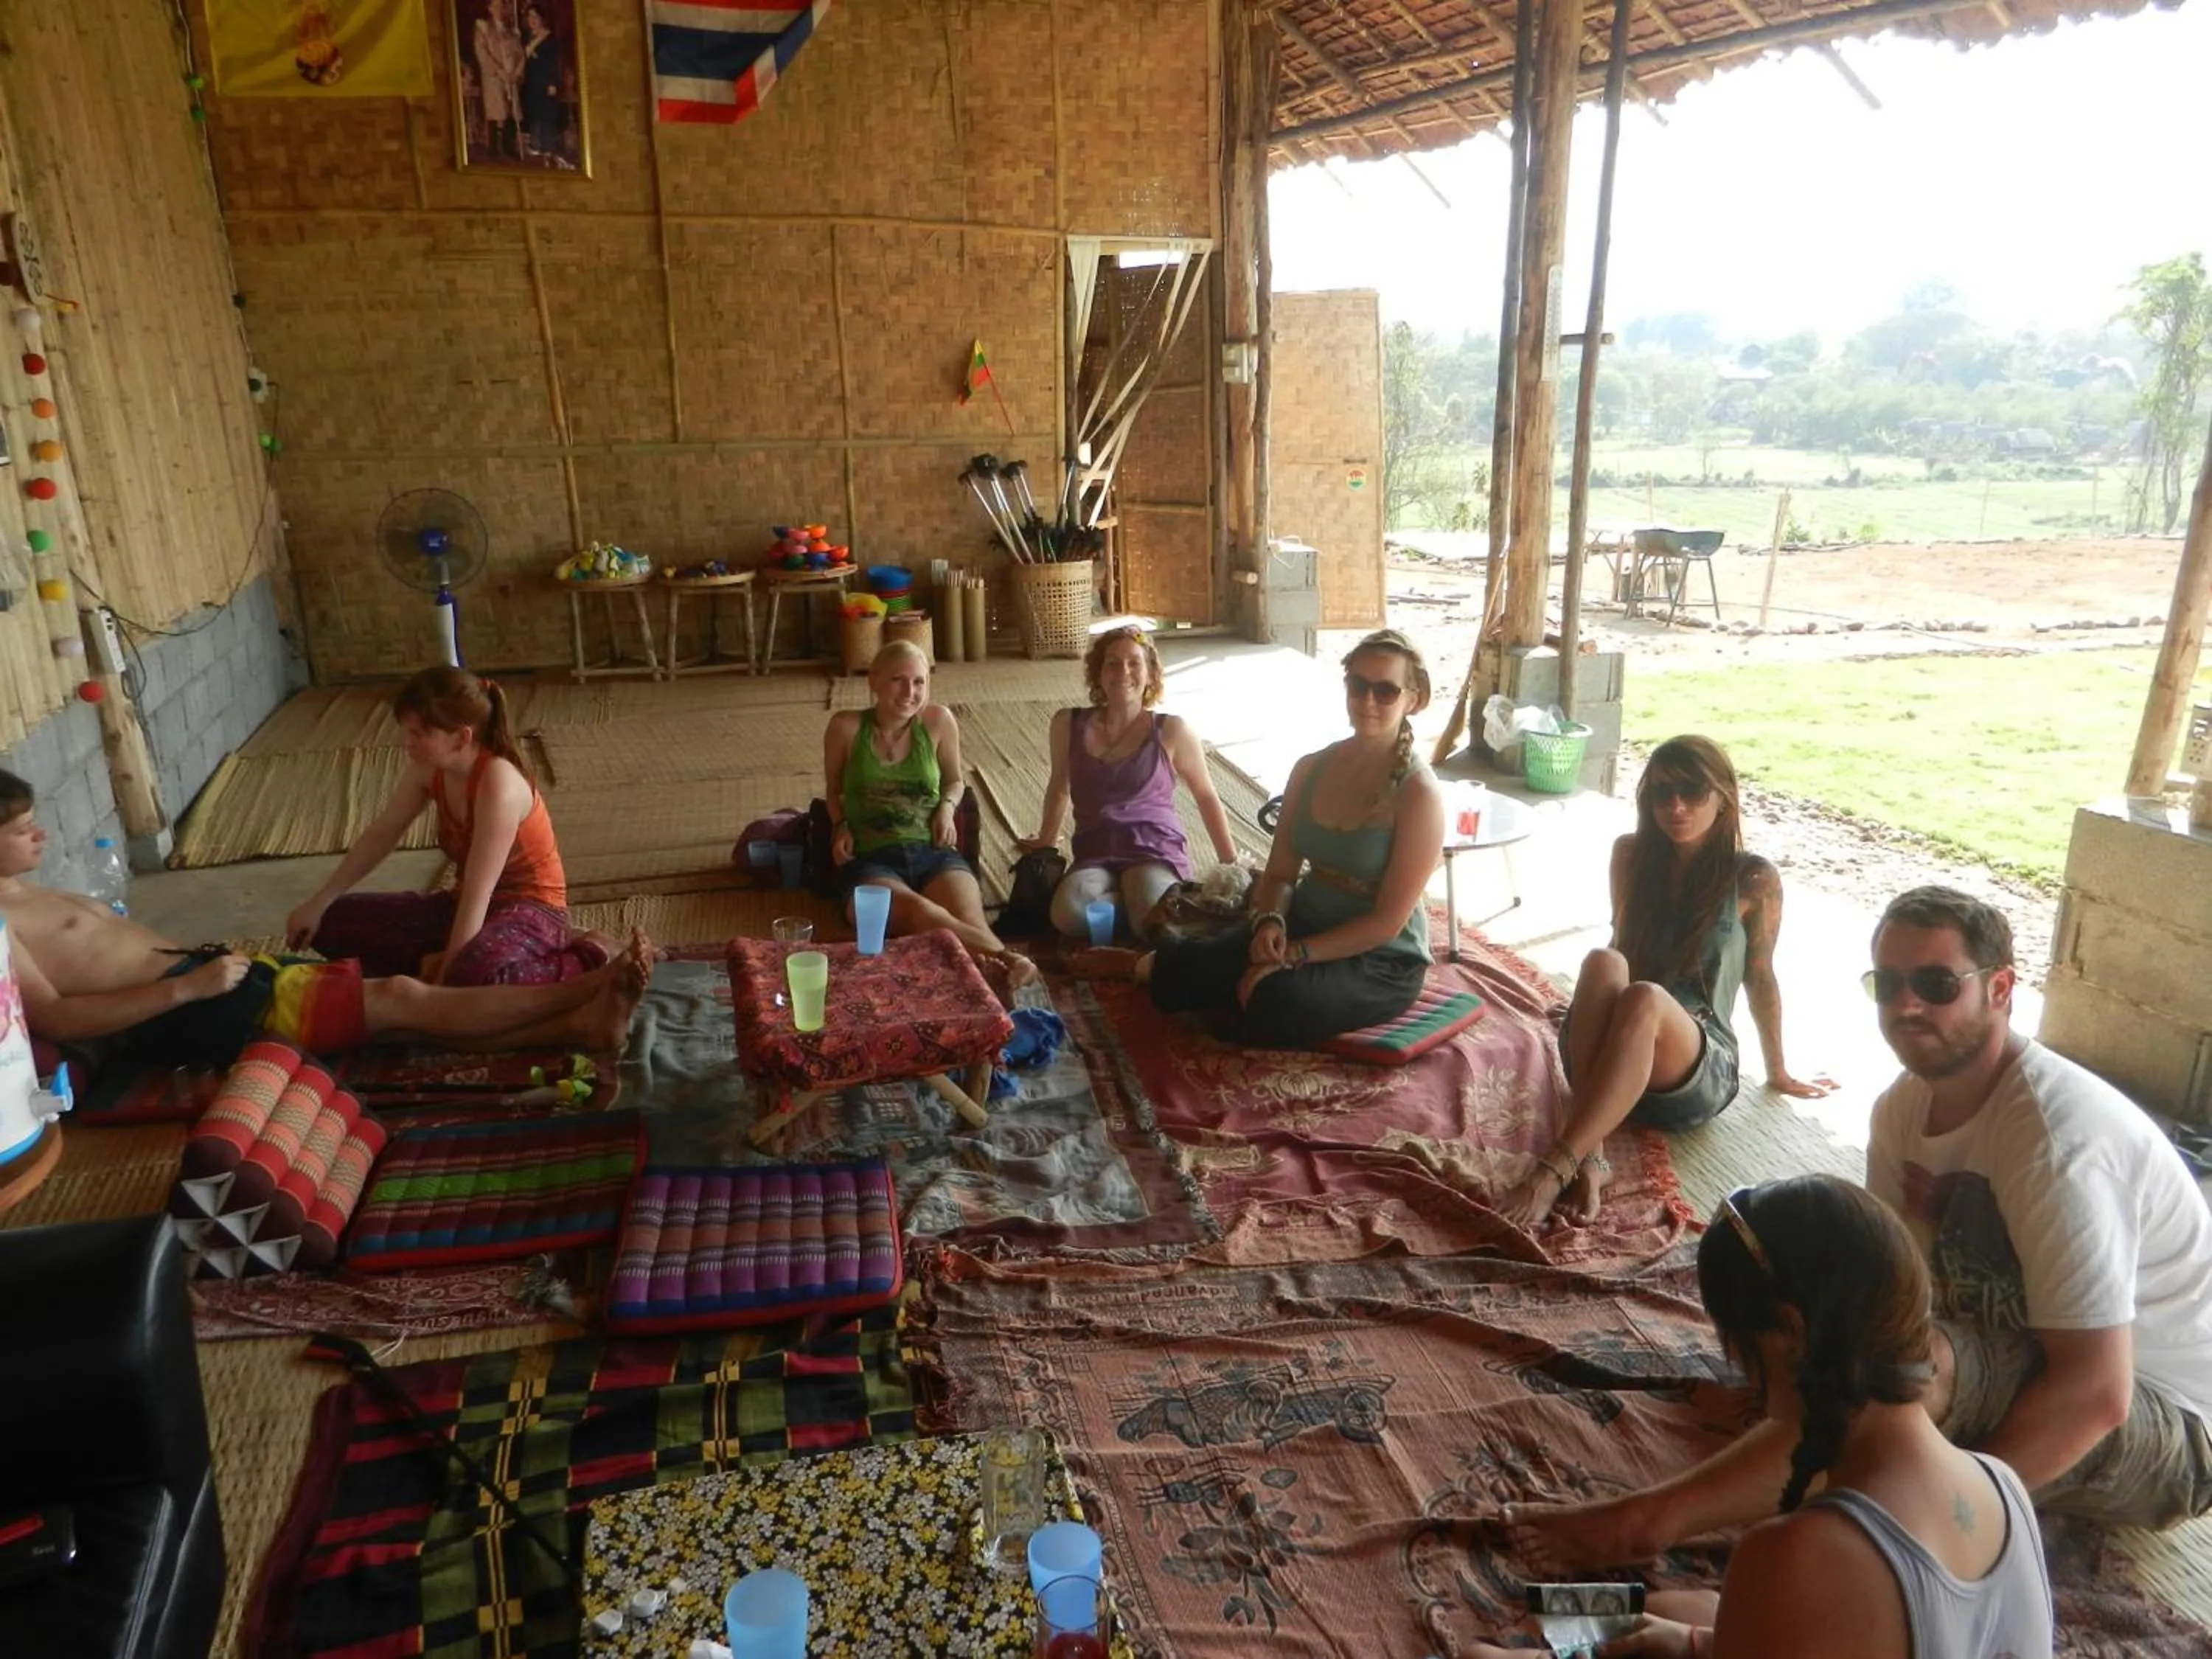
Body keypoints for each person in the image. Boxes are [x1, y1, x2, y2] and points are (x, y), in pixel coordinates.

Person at [1509, 885, 2212, 1578]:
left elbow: (2096, 1392)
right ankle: (1832, 1446)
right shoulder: (1902, 1112)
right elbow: (1885, 1288)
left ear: (2000, 990)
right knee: (1799, 1317)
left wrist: (1958, 1513)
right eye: (1890, 983)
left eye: (1937, 984)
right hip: (2008, 1351)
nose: (1906, 1005)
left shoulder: (2055, 1144)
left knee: (1887, 1372)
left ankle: (1644, 1524)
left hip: (2163, 1422)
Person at [1476, 1176, 2053, 1659]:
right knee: (1684, 1610)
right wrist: (1697, 1643)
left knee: (1491, 1655)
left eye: (1730, 1338)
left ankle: (1533, 1639)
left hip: (1824, 1595)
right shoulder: (2002, 1485)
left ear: (1790, 1334)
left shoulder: (1795, 1556)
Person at [0, 771, 648, 1073]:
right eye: (21, 828)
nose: (41, 834)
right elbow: (55, 1016)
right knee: (400, 997)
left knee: (396, 1021)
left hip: (215, 982)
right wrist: (184, 990)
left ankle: (577, 1024)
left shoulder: (23, 894)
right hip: (196, 1007)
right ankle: (583, 990)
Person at [1496, 737, 1829, 1232]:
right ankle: (1595, 1155)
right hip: (1614, 1058)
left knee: (1645, 998)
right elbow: (1622, 944)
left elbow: (1761, 975)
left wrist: (1778, 1069)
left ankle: (1558, 1164)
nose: (1676, 806)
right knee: (1603, 961)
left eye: (1693, 791)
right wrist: (1587, 1012)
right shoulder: (1631, 855)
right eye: (1661, 793)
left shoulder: (1753, 879)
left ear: (1724, 796)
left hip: (1694, 1065)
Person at [1075, 629, 1444, 1048]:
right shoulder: (1312, 768)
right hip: (1306, 920)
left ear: (1412, 699)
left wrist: (1295, 955)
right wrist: (1271, 921)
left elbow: (1384, 924)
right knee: (1193, 965)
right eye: (1358, 685)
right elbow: (1281, 874)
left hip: (1379, 960)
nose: (1368, 701)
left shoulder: (1419, 795)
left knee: (1277, 999)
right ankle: (1145, 967)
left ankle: (1246, 993)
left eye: (1386, 690)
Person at [283, 667, 605, 987]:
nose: (405, 743)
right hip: (463, 904)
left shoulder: (499, 783)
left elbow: (481, 891)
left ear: (461, 737)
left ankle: (590, 955)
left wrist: (449, 978)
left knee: (470, 975)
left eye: (418, 734)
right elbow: (382, 835)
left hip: (533, 912)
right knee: (329, 923)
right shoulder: (429, 769)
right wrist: (319, 901)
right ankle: (443, 960)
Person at [822, 640, 1035, 987]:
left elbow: (955, 781)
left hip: (933, 852)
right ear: (873, 681)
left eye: (919, 682)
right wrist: (841, 825)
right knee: (925, 914)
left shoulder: (938, 721)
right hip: (871, 861)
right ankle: (1010, 961)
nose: (910, 692)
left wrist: (947, 809)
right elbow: (833, 791)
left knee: (971, 921)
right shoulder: (845, 728)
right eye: (898, 680)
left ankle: (998, 1007)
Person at [1018, 625, 1239, 943]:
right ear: (1098, 672)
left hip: (1152, 848)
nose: (1124, 672)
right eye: (1113, 662)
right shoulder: (1067, 724)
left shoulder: (1171, 731)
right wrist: (1046, 841)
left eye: (1134, 663)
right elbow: (1060, 786)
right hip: (1095, 849)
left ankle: (1146, 910)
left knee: (1150, 921)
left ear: (1150, 674)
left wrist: (1232, 864)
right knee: (1067, 915)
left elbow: (1206, 796)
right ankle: (1144, 909)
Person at [472, 0, 524, 160]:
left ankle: (509, 146)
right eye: (495, 6)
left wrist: (516, 72)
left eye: (502, 6)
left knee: (510, 111)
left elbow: (520, 54)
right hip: (494, 77)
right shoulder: (484, 28)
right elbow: (481, 51)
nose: (499, 10)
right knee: (495, 111)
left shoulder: (512, 32)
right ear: (489, 9)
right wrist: (498, 71)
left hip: (511, 76)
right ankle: (493, 147)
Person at [520, 3, 566, 162]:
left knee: (546, 113)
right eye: (530, 16)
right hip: (532, 80)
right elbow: (523, 56)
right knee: (534, 112)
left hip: (546, 81)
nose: (533, 20)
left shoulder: (549, 37)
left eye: (536, 17)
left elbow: (554, 62)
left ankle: (548, 147)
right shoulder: (526, 37)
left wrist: (553, 82)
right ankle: (535, 145)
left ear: (541, 19)